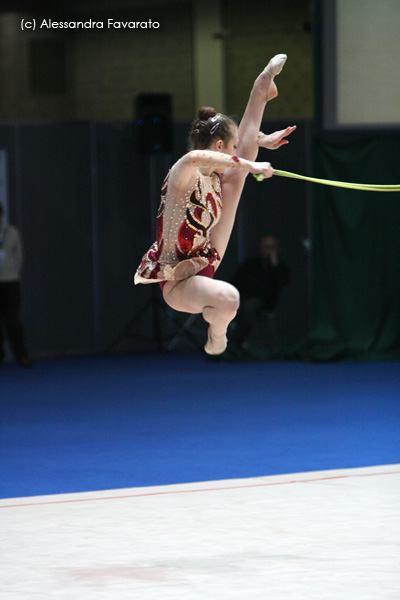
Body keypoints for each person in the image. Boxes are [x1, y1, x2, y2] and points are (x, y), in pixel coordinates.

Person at [135, 54, 296, 355]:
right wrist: (251, 161)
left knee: (236, 176)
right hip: (179, 282)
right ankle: (217, 337)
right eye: (232, 147)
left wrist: (257, 143)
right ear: (220, 146)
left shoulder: (219, 175)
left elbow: (234, 148)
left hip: (208, 255)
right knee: (230, 300)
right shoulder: (184, 170)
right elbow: (201, 157)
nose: (238, 152)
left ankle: (260, 89)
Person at [231, 234, 290, 346]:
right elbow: (235, 282)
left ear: (277, 249)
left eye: (272, 247)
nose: (269, 250)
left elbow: (282, 283)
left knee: (249, 306)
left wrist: (275, 266)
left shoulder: (280, 268)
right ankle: (217, 342)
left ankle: (235, 345)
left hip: (265, 303)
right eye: (266, 247)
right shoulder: (250, 265)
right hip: (240, 299)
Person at [0, 204, 32, 367]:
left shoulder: (12, 232)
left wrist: (12, 273)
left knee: (12, 321)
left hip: (10, 283)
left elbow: (19, 257)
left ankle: (22, 355)